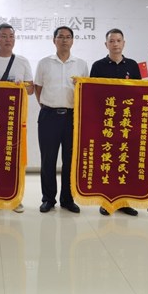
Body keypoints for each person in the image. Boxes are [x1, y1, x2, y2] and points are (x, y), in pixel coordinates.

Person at [0, 23, 34, 213]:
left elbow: (31, 89)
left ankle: (15, 198)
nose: (7, 40)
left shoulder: (22, 61)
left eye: (11, 36)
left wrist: (21, 85)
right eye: (3, 36)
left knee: (14, 159)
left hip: (15, 118)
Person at [34, 26, 89, 213]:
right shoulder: (44, 63)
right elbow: (38, 88)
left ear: (72, 41)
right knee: (48, 160)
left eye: (68, 37)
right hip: (49, 116)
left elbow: (85, 91)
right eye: (60, 37)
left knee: (70, 160)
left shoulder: (81, 64)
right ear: (54, 40)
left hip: (72, 117)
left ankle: (67, 199)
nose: (64, 40)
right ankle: (48, 199)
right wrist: (47, 105)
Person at [90, 28, 141, 217]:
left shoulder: (133, 66)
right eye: (112, 41)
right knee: (107, 161)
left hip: (127, 123)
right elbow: (92, 94)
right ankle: (106, 201)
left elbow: (140, 92)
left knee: (125, 161)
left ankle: (125, 202)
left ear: (124, 43)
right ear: (106, 44)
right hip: (106, 123)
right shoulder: (98, 66)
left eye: (119, 40)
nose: (115, 44)